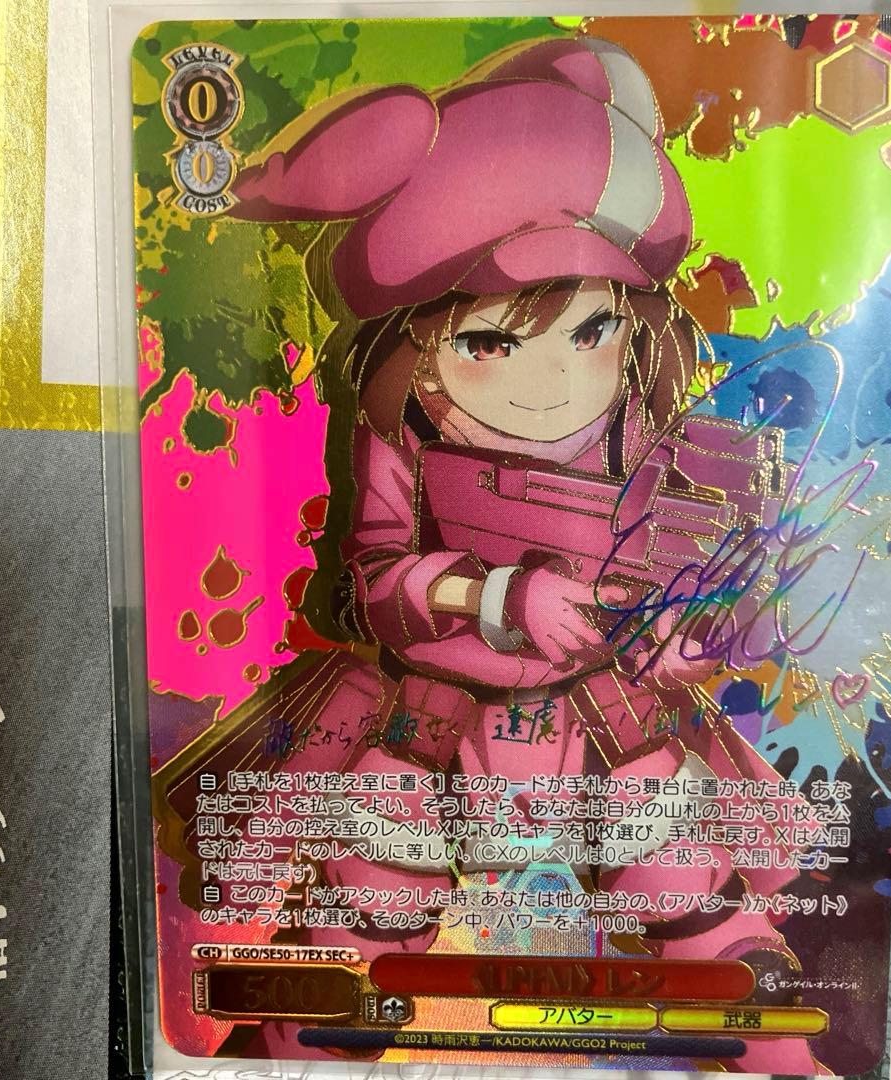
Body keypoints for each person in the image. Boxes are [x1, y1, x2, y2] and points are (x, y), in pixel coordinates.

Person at [212, 34, 827, 1073]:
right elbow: (377, 584)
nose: (551, 380)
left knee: (717, 941)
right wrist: (501, 595)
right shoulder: (401, 444)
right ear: (420, 354)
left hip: (609, 722)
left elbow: (712, 586)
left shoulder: (658, 440)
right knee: (353, 948)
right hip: (432, 724)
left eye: (589, 332)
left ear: (632, 326)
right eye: (491, 342)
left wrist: (688, 638)